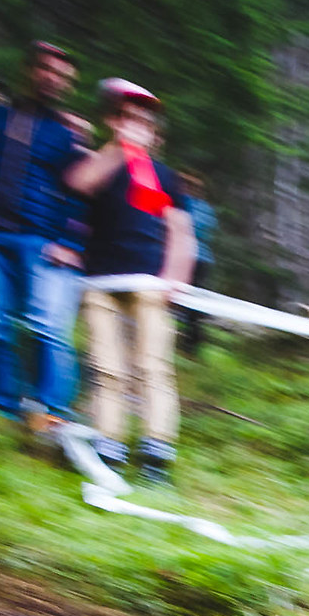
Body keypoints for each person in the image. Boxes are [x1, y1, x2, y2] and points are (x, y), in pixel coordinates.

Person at [0, 41, 89, 435]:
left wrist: (72, 243)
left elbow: (78, 194)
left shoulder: (65, 135)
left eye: (62, 76)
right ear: (30, 70)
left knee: (45, 325)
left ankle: (52, 412)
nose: (52, 79)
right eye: (46, 70)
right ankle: (1, 409)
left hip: (39, 240)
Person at [64, 79, 195, 482]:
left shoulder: (164, 177)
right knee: (106, 368)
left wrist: (176, 278)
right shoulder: (103, 164)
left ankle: (157, 453)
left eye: (143, 122)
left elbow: (180, 231)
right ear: (114, 122)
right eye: (128, 119)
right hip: (101, 280)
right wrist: (117, 148)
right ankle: (111, 446)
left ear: (155, 132)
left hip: (149, 282)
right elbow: (79, 183)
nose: (136, 126)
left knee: (153, 367)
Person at [177, 170, 216, 355]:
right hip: (202, 258)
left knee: (188, 300)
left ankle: (190, 341)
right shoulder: (206, 209)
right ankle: (191, 339)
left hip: (189, 257)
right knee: (192, 299)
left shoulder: (183, 205)